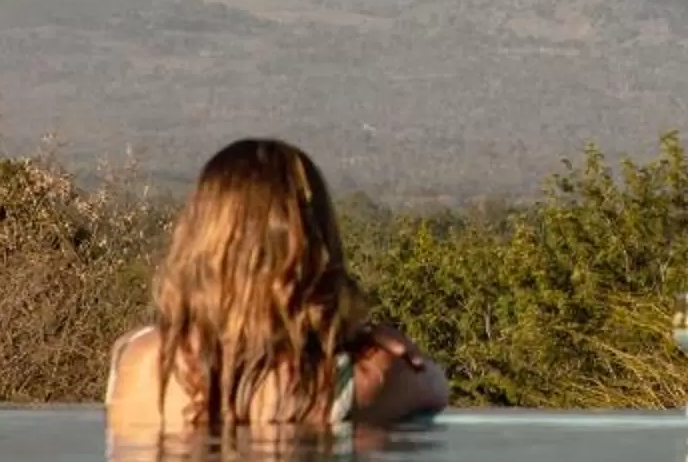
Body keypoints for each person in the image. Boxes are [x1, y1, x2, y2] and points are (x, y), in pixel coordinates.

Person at [104, 137, 448, 435]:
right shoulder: (354, 378)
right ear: (315, 245)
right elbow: (435, 386)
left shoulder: (139, 360)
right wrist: (368, 339)